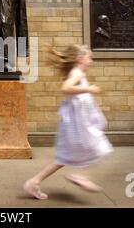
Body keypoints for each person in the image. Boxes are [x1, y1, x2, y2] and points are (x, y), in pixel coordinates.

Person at [23, 44, 113, 199]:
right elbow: (65, 88)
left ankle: (34, 182)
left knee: (65, 157)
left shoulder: (78, 73)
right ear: (80, 58)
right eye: (89, 57)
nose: (90, 61)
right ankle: (81, 176)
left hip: (76, 124)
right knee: (97, 146)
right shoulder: (77, 73)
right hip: (77, 125)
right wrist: (89, 89)